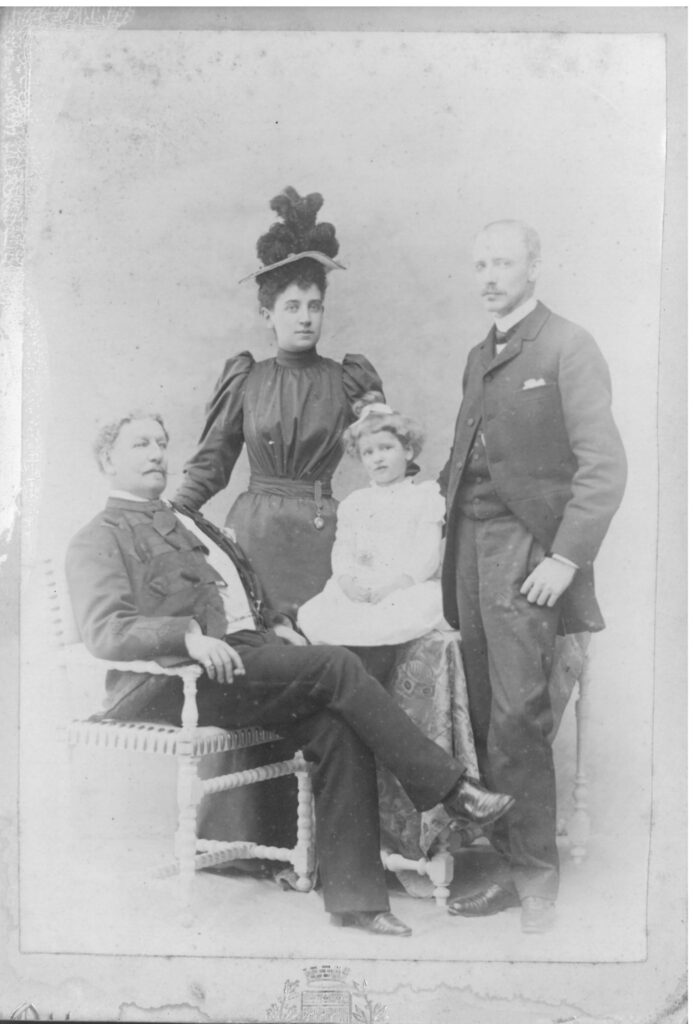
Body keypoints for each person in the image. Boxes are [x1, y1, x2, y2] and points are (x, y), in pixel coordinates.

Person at [66, 411, 515, 937]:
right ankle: (450, 788)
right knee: (335, 663)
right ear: (106, 460)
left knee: (337, 725)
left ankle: (356, 901)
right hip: (177, 681)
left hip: (243, 662)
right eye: (140, 444)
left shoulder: (187, 520)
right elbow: (105, 629)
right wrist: (184, 636)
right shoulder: (97, 537)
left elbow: (239, 592)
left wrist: (280, 624)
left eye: (162, 443)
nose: (156, 454)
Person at [439, 220, 627, 933]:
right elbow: (465, 461)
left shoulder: (567, 345)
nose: (490, 276)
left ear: (535, 267)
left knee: (520, 714)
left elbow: (604, 467)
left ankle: (536, 884)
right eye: (480, 263)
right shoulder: (477, 354)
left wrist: (565, 556)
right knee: (486, 711)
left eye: (504, 263)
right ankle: (504, 870)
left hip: (527, 552)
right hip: (469, 550)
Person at [174, 186, 385, 618]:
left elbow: (389, 452)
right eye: (292, 306)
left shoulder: (348, 379)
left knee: (323, 648)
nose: (305, 317)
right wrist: (167, 518)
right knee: (263, 649)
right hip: (257, 535)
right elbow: (210, 464)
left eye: (314, 306)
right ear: (267, 315)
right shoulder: (247, 379)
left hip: (325, 536)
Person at [298, 397, 446, 675]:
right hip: (358, 586)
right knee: (339, 633)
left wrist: (399, 584)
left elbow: (426, 555)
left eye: (387, 448)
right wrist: (345, 579)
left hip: (402, 587)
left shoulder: (424, 497)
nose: (377, 457)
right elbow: (342, 549)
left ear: (409, 452)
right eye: (368, 452)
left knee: (383, 634)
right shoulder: (356, 502)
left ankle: (373, 698)